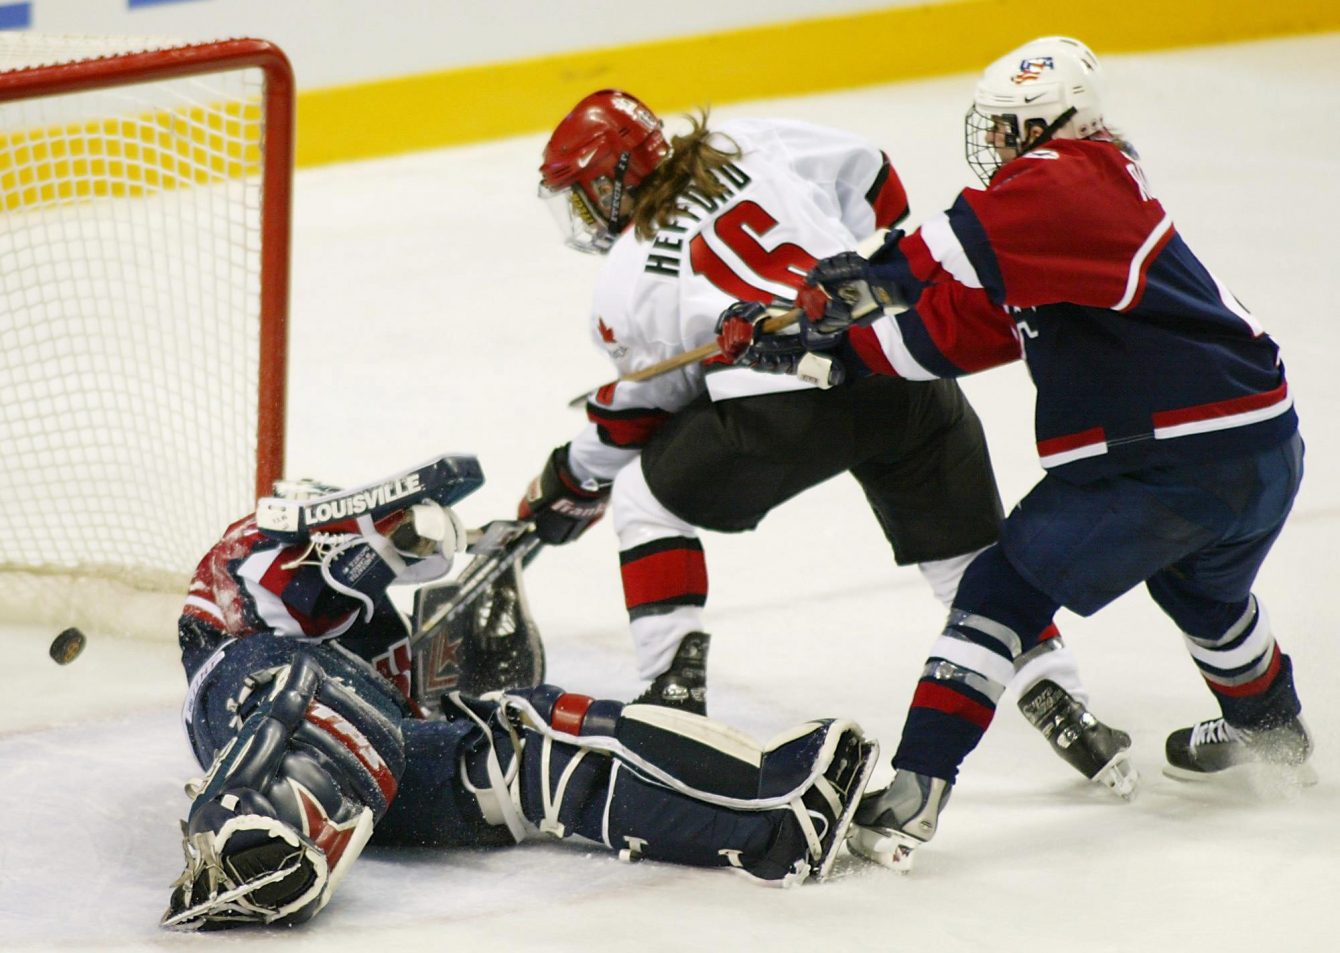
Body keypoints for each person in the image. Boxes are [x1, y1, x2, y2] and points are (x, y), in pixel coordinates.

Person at [722, 36, 1312, 869]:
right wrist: (823, 351)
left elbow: (950, 243)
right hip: (1258, 448)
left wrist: (867, 280)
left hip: (1169, 459)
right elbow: (956, 331)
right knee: (1203, 593)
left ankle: (914, 793)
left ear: (1050, 124)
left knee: (1000, 590)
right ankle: (1272, 731)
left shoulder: (1072, 176)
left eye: (1006, 126)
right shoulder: (1062, 218)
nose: (994, 141)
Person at [520, 89, 1135, 798]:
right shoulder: (751, 140)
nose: (584, 213)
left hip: (783, 409)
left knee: (642, 497)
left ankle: (672, 698)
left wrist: (572, 476)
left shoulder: (626, 274)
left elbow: (643, 412)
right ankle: (1065, 704)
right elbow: (881, 184)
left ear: (614, 180)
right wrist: (828, 262)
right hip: (898, 362)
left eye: (583, 193)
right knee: (965, 558)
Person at [162, 453, 877, 931]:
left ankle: (779, 822)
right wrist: (400, 525)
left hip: (385, 761)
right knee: (305, 696)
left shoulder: (364, 637)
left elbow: (419, 691)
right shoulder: (249, 594)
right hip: (268, 688)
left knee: (530, 745)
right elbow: (295, 564)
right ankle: (245, 839)